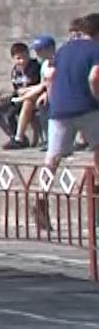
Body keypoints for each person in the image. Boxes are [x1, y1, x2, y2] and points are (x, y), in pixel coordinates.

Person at [35, 15, 99, 234]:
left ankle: (41, 198)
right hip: (87, 107)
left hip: (60, 110)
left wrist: (55, 100)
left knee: (52, 158)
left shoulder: (63, 50)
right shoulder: (95, 49)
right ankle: (96, 198)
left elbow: (50, 76)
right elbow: (94, 77)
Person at [0, 41, 45, 149]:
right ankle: (13, 135)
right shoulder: (15, 71)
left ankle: (19, 138)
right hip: (19, 98)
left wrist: (24, 92)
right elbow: (16, 89)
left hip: (33, 98)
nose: (22, 61)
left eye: (25, 57)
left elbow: (40, 86)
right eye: (19, 58)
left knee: (26, 102)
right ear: (13, 59)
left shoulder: (35, 67)